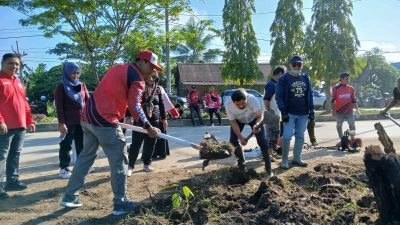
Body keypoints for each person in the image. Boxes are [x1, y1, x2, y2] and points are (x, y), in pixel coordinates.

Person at [60, 50, 161, 216]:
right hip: (105, 120)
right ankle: (120, 203)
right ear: (142, 61)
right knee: (120, 159)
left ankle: (70, 196)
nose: (152, 70)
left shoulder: (118, 68)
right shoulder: (137, 78)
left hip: (87, 117)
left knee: (86, 156)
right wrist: (148, 127)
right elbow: (135, 105)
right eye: (151, 66)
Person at [0, 53, 35, 199]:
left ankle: (12, 181)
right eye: (10, 63)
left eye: (16, 64)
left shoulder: (19, 82)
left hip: (20, 125)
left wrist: (29, 120)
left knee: (15, 153)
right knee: (1, 156)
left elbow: (24, 103)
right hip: (5, 126)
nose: (14, 66)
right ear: (2, 63)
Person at [276, 55, 314, 169]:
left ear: (302, 65)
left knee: (300, 135)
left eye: (299, 64)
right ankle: (285, 160)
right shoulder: (283, 79)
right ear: (290, 65)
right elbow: (279, 97)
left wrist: (311, 110)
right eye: (294, 64)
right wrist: (283, 111)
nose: (297, 66)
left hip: (303, 113)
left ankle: (297, 158)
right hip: (289, 112)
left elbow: (310, 95)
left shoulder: (306, 78)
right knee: (287, 136)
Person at [127, 71, 168, 176]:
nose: (151, 79)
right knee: (135, 144)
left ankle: (147, 163)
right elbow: (132, 103)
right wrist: (128, 116)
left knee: (150, 143)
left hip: (154, 121)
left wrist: (164, 119)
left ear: (156, 78)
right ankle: (130, 165)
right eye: (148, 76)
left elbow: (162, 105)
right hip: (140, 121)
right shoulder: (138, 88)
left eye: (153, 77)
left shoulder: (158, 89)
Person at [225, 89, 272, 176]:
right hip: (238, 120)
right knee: (233, 141)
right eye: (238, 104)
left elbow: (259, 116)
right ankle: (242, 166)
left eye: (243, 103)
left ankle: (268, 169)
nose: (241, 106)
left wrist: (256, 125)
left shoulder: (252, 99)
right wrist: (240, 137)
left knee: (262, 141)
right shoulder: (228, 104)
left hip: (254, 118)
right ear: (233, 102)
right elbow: (233, 122)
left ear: (246, 98)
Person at [54, 62, 90, 179]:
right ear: (67, 73)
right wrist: (61, 123)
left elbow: (87, 102)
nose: (75, 75)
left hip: (82, 121)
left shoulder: (82, 85)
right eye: (73, 73)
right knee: (66, 145)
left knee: (82, 145)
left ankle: (81, 167)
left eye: (77, 73)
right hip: (68, 122)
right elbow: (59, 107)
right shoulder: (61, 87)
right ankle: (64, 169)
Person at [263, 66, 285, 161]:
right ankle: (268, 155)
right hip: (271, 113)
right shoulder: (271, 84)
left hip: (276, 113)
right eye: (283, 75)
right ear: (280, 74)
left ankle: (271, 153)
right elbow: (266, 99)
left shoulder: (276, 84)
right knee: (270, 135)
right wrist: (269, 112)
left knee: (275, 135)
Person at [331, 72, 360, 140]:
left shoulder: (351, 88)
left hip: (349, 111)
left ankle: (352, 139)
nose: (348, 80)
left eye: (349, 79)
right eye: (346, 79)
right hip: (339, 111)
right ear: (341, 79)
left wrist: (357, 109)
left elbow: (353, 100)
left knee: (352, 124)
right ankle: (342, 139)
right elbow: (333, 100)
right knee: (339, 126)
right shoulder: (335, 88)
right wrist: (333, 110)